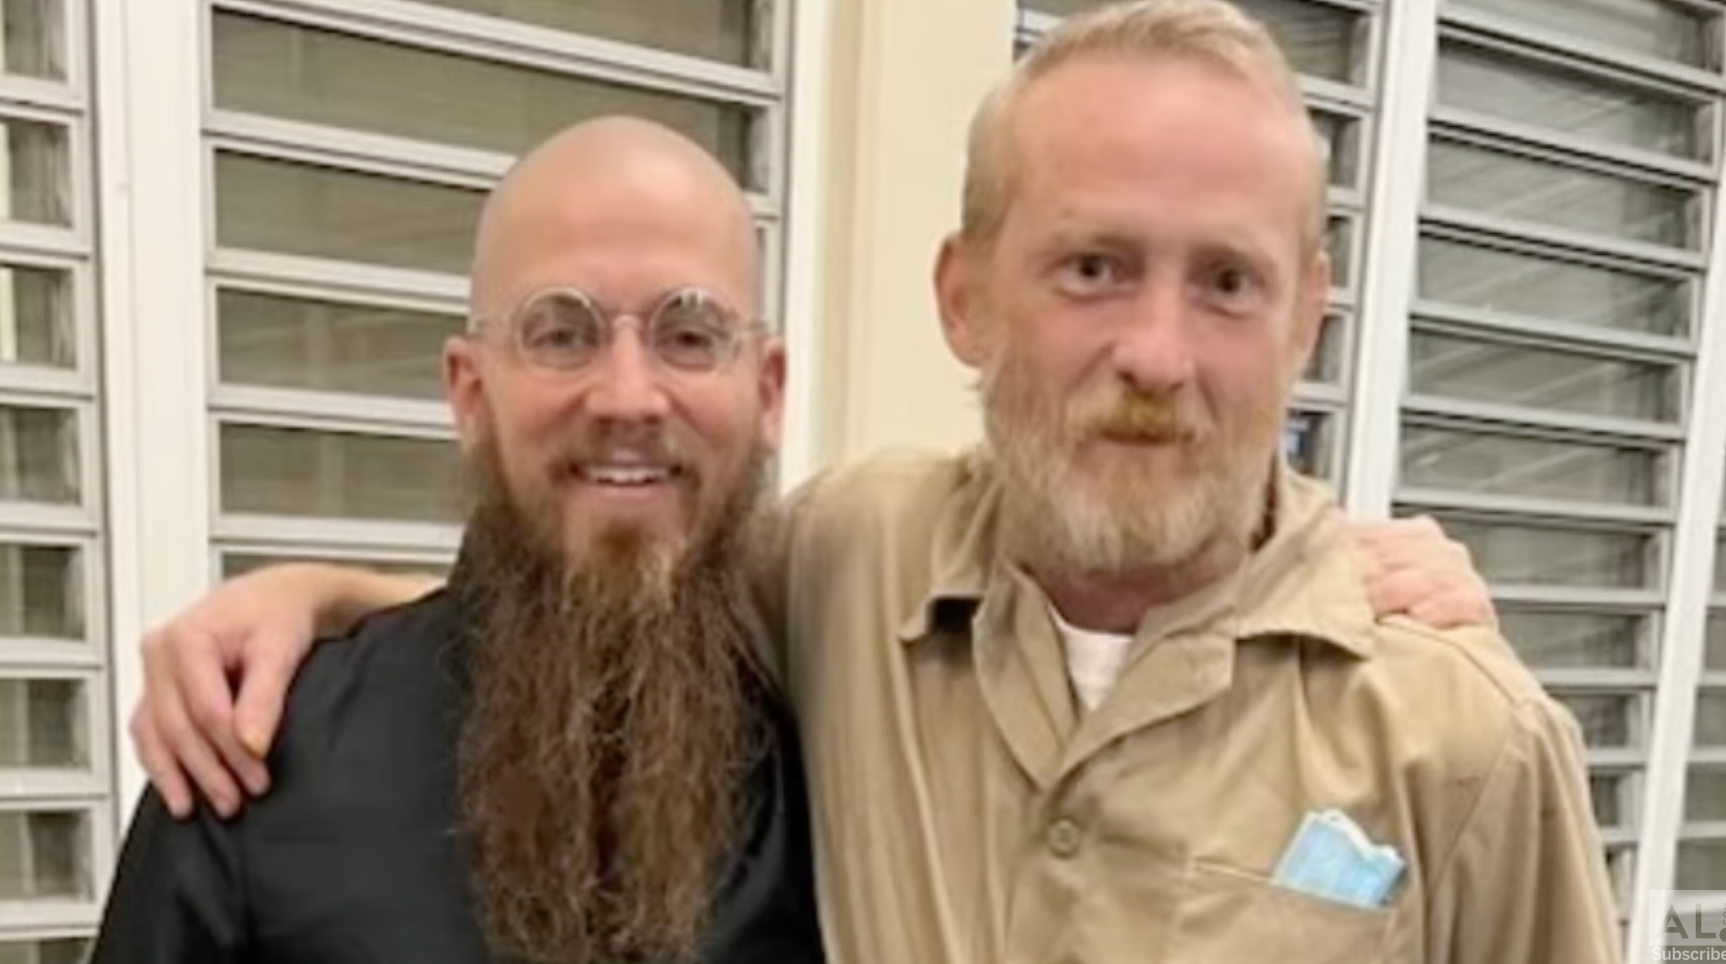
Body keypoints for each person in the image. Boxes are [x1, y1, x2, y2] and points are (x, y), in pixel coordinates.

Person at [125, 3, 1606, 963]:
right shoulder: (859, 566)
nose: (1155, 352)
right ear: (963, 298)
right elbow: (604, 575)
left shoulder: (1460, 741)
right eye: (1091, 268)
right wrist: (309, 602)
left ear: (1304, 323)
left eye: (1226, 281)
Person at [89, 119, 823, 964]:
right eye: (562, 333)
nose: (628, 396)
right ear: (469, 391)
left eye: (689, 335)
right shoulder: (253, 762)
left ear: (767, 391)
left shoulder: (845, 739)